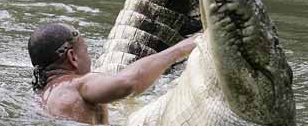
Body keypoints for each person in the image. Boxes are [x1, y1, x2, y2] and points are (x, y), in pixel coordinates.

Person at [28, 23, 197, 125]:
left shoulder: (42, 98)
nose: (89, 56)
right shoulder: (79, 85)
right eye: (86, 51)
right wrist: (181, 49)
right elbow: (128, 84)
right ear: (72, 57)